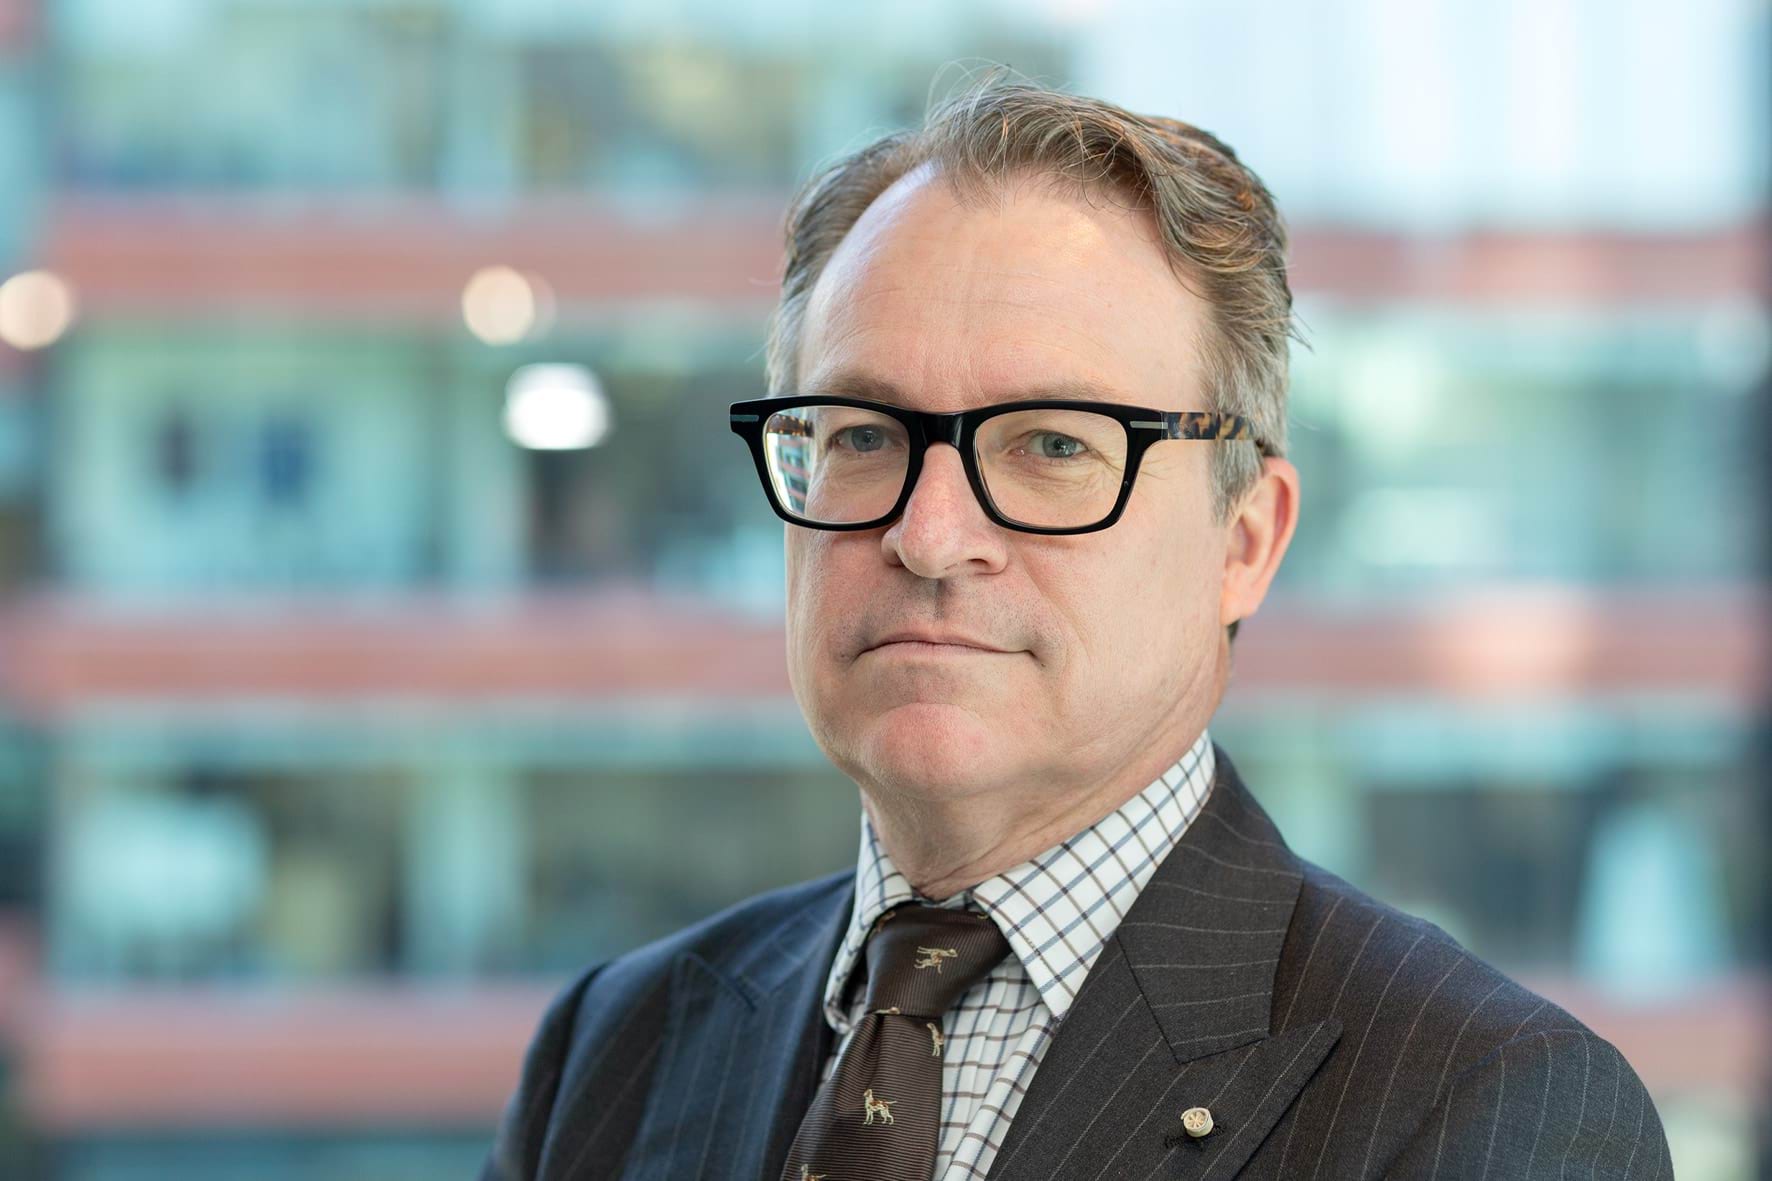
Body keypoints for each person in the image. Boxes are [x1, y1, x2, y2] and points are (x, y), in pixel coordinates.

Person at [481, 73, 1673, 1180]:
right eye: (859, 434)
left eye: (1052, 444)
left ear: (1243, 540)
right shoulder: (615, 1045)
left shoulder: (1489, 1106)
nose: (930, 534)